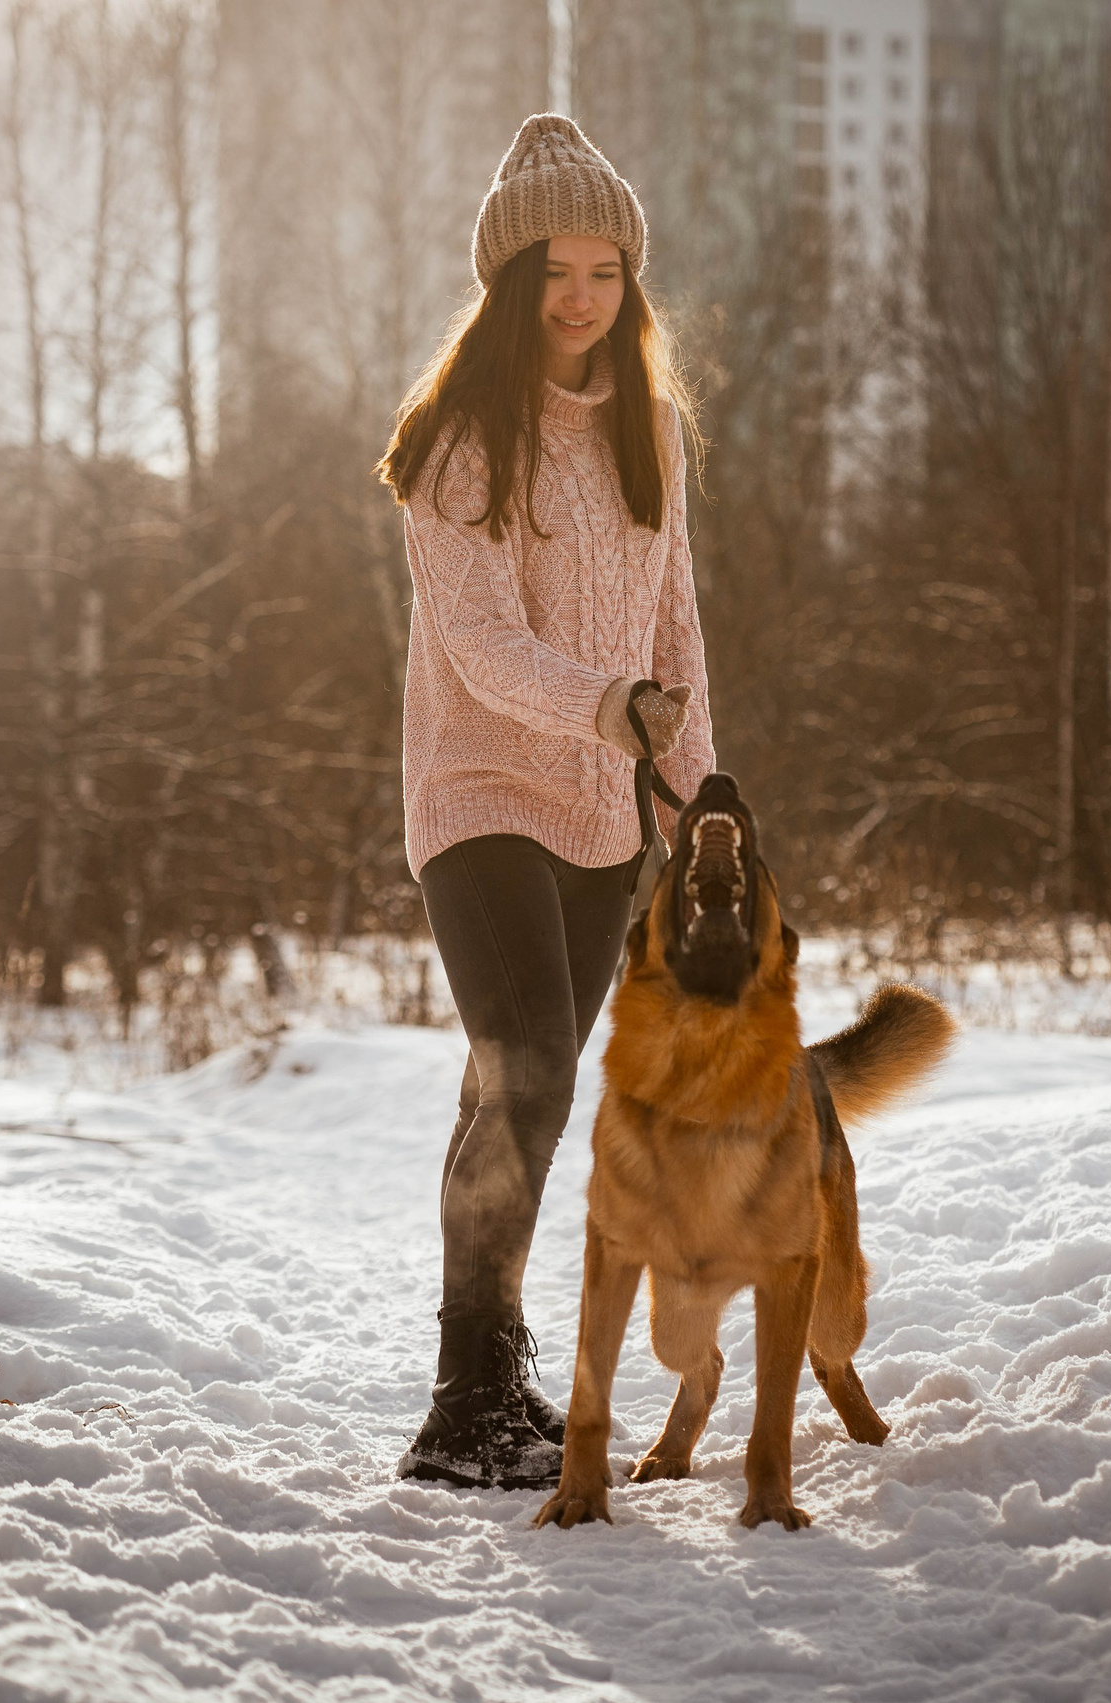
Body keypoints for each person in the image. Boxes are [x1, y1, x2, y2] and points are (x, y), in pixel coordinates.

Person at [375, 114, 714, 1489]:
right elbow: (480, 648)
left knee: (524, 1086)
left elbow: (676, 627)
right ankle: (465, 1406)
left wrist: (698, 796)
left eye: (605, 272)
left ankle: (486, 1377)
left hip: (604, 810)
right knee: (525, 1067)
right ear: (512, 283)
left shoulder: (652, 432)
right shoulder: (462, 440)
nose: (581, 298)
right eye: (555, 272)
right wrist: (608, 706)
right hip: (478, 792)